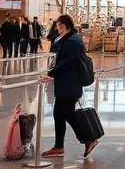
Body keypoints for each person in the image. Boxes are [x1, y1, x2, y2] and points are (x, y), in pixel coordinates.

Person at [41, 15, 99, 158]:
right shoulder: (70, 39)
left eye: (58, 25)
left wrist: (52, 72)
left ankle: (88, 138)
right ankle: (59, 147)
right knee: (59, 114)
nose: (56, 28)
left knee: (68, 114)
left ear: (64, 24)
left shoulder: (72, 41)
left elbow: (68, 62)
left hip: (69, 85)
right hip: (67, 85)